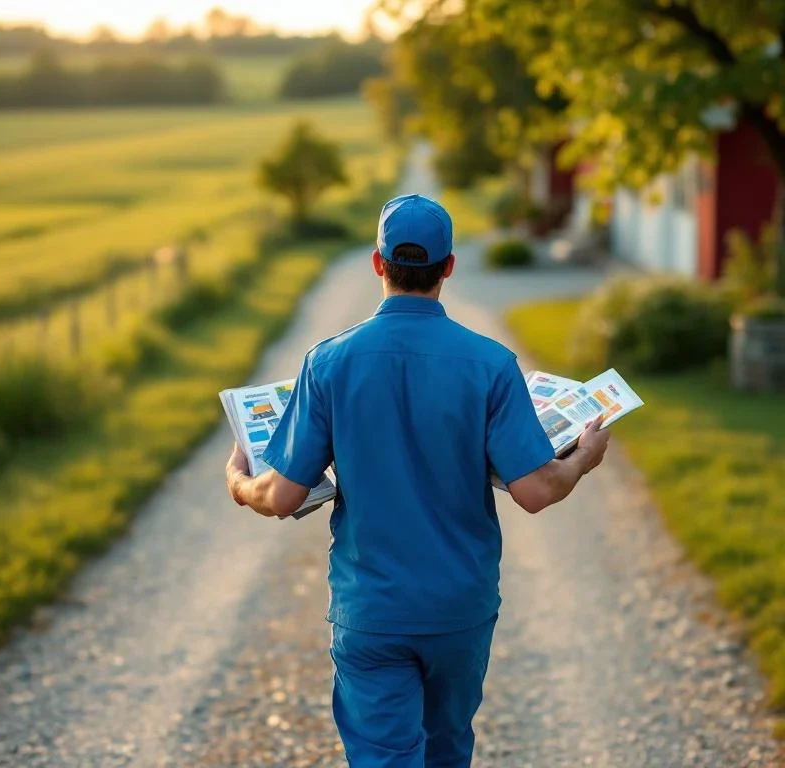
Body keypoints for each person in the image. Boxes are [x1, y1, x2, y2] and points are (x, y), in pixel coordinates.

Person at [225, 194, 610, 767]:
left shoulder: (327, 363)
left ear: (377, 264)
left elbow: (280, 495)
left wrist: (237, 478)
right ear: (449, 267)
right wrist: (583, 459)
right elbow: (535, 491)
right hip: (459, 605)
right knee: (447, 749)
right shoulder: (491, 364)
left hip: (372, 609)